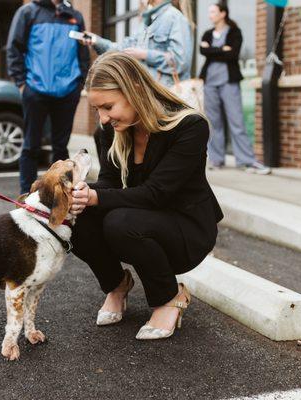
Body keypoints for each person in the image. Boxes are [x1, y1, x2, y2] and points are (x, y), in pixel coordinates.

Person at [69, 52, 223, 340]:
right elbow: (109, 182)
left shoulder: (189, 126)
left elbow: (157, 194)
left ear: (135, 90)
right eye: (97, 109)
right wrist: (77, 193)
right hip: (141, 220)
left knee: (120, 221)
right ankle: (117, 285)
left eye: (108, 106)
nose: (103, 118)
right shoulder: (110, 130)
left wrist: (95, 198)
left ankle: (169, 298)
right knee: (77, 216)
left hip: (186, 230)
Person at [6, 0, 90, 195]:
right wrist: (21, 84)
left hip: (68, 91)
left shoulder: (75, 16)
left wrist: (79, 84)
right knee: (31, 147)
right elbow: (14, 48)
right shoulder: (28, 12)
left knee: (60, 148)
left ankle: (60, 195)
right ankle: (26, 197)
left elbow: (82, 53)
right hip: (35, 90)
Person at [200, 3, 271, 174]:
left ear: (222, 13)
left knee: (237, 121)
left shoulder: (234, 32)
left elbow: (233, 54)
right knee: (214, 123)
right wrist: (221, 49)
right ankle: (216, 159)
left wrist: (212, 49)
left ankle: (247, 161)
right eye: (209, 12)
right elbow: (203, 52)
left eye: (213, 12)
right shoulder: (207, 33)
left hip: (229, 82)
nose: (210, 15)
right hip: (209, 83)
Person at [84, 0, 195, 88]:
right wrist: (96, 41)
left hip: (166, 96)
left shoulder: (175, 17)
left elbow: (180, 62)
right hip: (146, 93)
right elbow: (122, 48)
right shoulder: (146, 22)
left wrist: (144, 54)